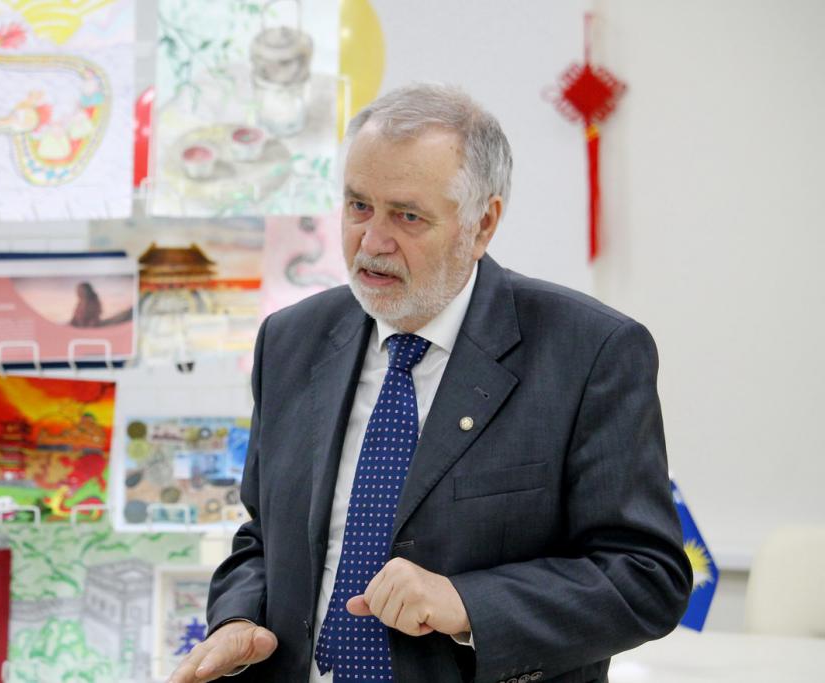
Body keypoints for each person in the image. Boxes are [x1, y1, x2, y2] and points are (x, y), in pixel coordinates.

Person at [169, 83, 692, 683]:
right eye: (358, 206)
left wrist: (469, 603)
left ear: (482, 224)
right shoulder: (290, 340)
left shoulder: (590, 351)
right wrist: (238, 618)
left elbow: (645, 577)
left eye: (407, 216)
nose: (372, 242)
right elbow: (263, 536)